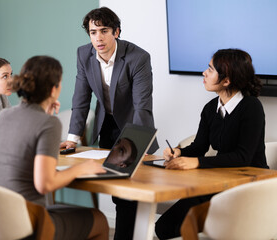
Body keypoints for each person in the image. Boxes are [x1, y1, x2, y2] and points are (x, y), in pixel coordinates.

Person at [59, 7, 158, 239]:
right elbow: (81, 99)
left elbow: (142, 106)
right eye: (93, 32)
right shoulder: (84, 54)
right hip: (107, 125)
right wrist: (73, 138)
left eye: (104, 31)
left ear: (116, 32)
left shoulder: (138, 57)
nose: (98, 38)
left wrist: (139, 146)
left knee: (128, 193)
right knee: (114, 188)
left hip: (134, 126)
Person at [155, 48, 268, 239]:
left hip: (248, 185)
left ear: (226, 80)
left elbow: (243, 157)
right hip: (219, 181)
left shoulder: (251, 107)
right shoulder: (210, 108)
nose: (204, 73)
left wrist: (197, 162)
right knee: (164, 227)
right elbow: (200, 146)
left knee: (181, 228)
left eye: (210, 69)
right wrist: (179, 152)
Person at [0, 56, 109, 240]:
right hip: (29, 222)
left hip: (1, 217)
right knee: (100, 220)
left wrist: (45, 112)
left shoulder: (5, 115)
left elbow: (29, 143)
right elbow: (44, 184)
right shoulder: (49, 123)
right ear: (54, 90)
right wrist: (81, 168)